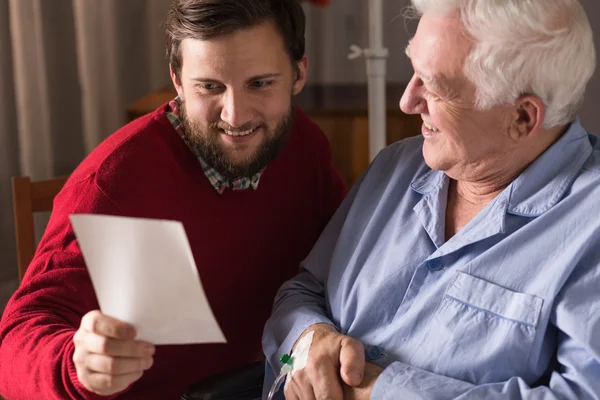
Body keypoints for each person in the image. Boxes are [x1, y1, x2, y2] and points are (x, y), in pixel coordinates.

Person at [0, 0, 347, 399]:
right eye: (210, 86)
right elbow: (14, 344)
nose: (235, 116)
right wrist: (75, 365)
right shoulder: (114, 182)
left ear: (298, 73)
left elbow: (338, 265)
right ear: (178, 81)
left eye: (260, 83)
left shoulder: (304, 146)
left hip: (262, 384)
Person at [263, 0, 600, 399]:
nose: (407, 102)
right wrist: (311, 340)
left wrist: (379, 392)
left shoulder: (589, 225)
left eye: (435, 86)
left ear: (523, 117)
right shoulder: (395, 167)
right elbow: (303, 291)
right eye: (413, 73)